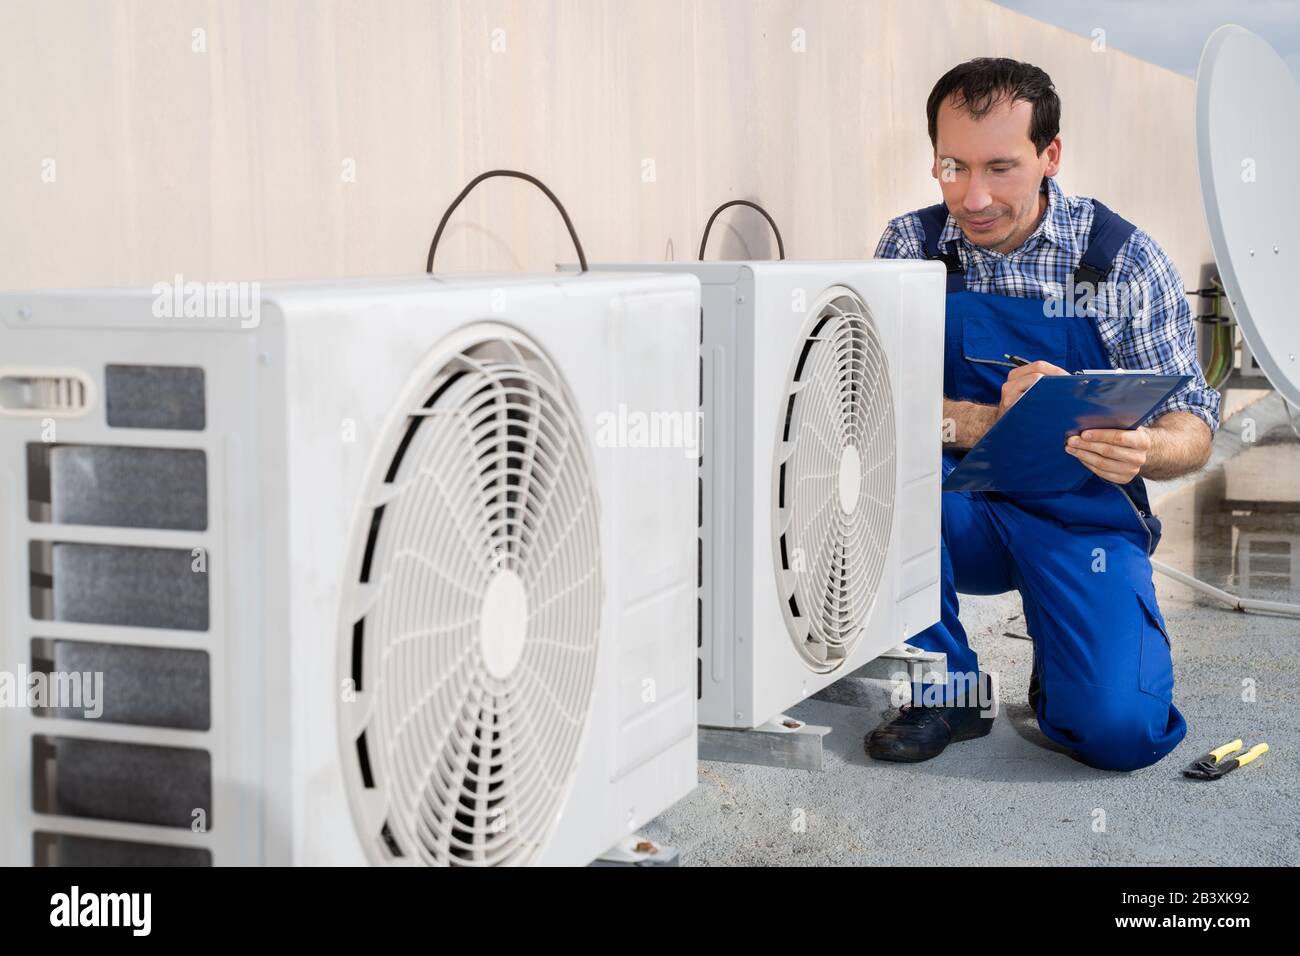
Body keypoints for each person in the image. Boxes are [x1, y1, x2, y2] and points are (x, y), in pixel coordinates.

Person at [868, 57, 1219, 771]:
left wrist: (1145, 447)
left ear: (1049, 155)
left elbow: (1194, 428)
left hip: (1080, 518)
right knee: (881, 469)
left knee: (1119, 733)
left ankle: (1068, 673)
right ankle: (948, 689)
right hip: (955, 509)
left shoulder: (1120, 262)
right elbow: (869, 400)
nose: (973, 197)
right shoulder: (912, 249)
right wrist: (981, 424)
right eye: (952, 167)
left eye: (1001, 167)